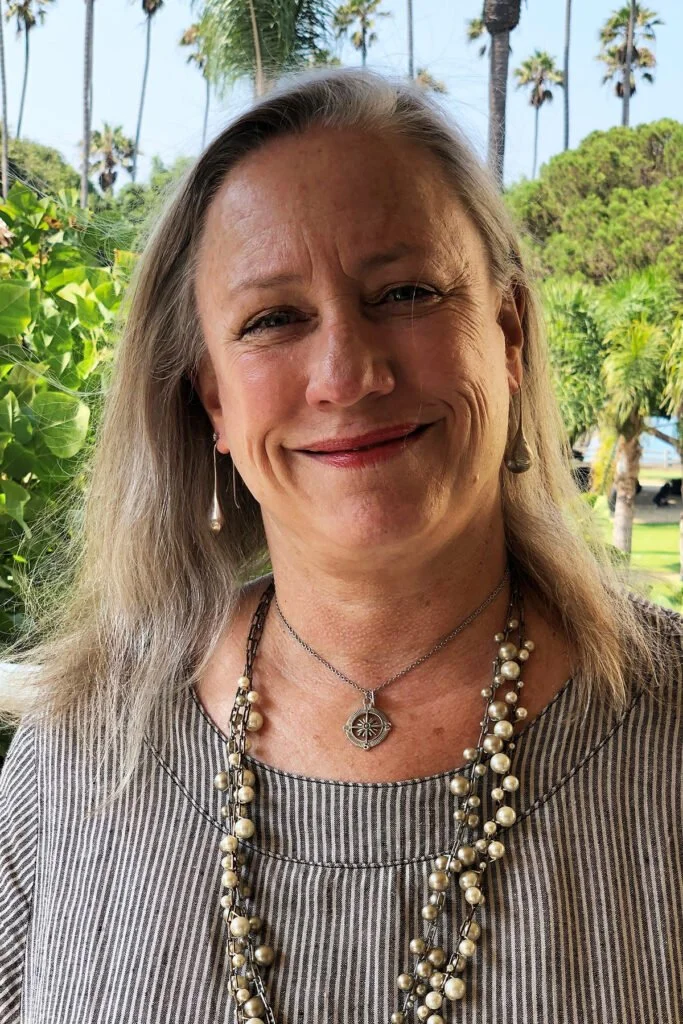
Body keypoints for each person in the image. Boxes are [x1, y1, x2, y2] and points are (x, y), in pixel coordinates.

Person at [0, 68, 681, 1024]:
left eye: (405, 291)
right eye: (273, 318)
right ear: (212, 402)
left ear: (509, 334)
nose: (346, 374)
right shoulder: (75, 751)